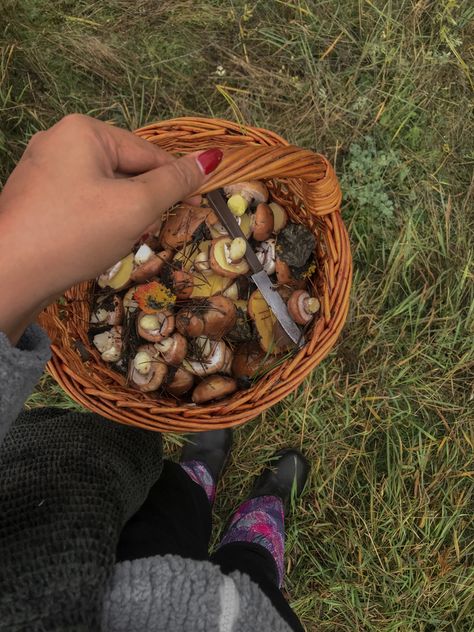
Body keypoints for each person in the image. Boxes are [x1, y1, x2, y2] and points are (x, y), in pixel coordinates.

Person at [0, 114, 309, 632]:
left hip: (95, 520)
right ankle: (260, 520)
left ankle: (198, 477)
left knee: (168, 506)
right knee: (251, 571)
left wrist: (17, 258)